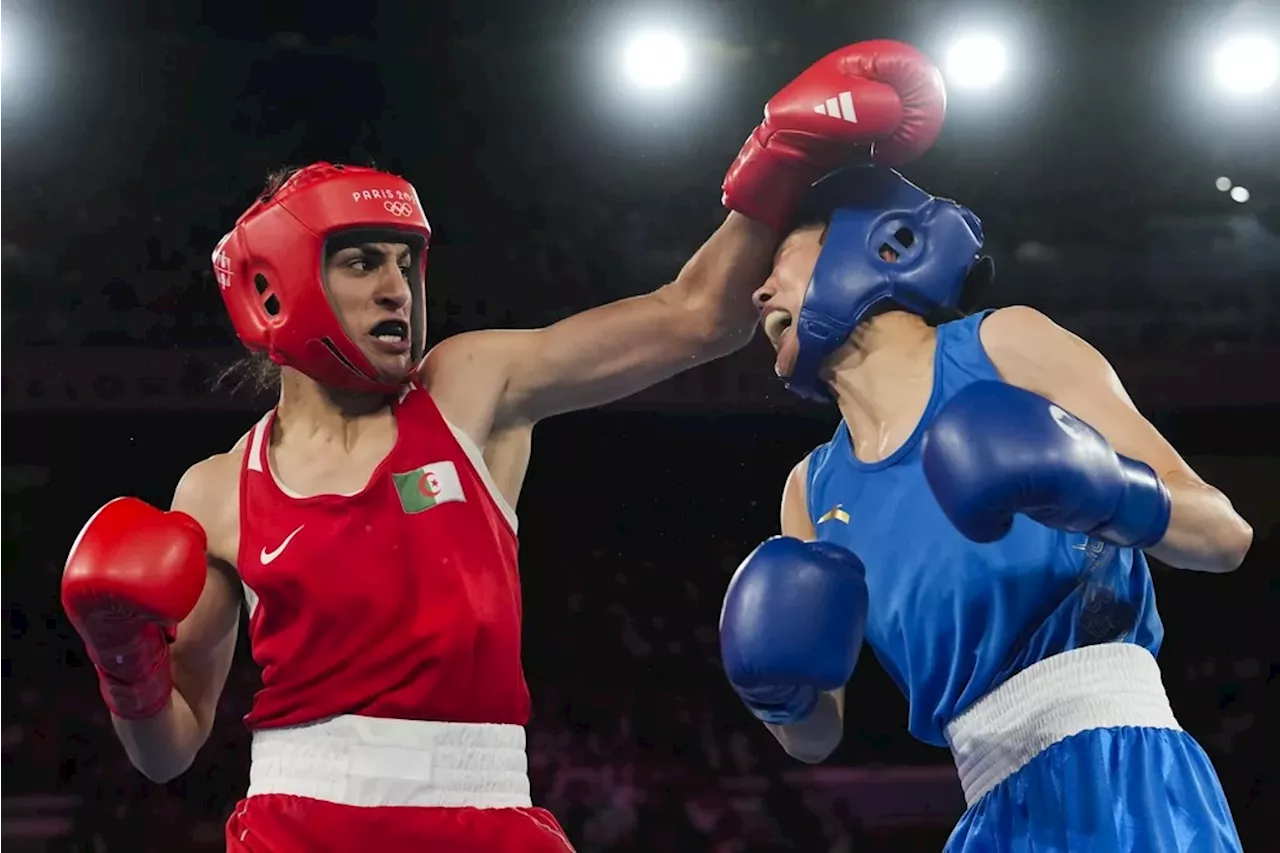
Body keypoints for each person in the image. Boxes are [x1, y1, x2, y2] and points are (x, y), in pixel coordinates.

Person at [59, 41, 947, 852]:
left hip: (485, 811)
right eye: (362, 261)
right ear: (276, 287)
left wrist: (781, 155)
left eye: (407, 262)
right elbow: (169, 749)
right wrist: (125, 664)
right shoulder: (219, 489)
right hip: (300, 824)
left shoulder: (465, 390)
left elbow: (695, 319)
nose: (397, 288)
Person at [718, 166, 1255, 851]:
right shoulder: (811, 488)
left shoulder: (1004, 346)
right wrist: (778, 696)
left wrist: (1107, 489)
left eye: (779, 261)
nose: (759, 289)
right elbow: (816, 737)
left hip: (1122, 768)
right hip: (989, 810)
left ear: (871, 247)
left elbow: (1224, 534)